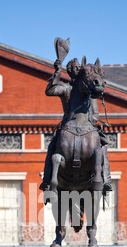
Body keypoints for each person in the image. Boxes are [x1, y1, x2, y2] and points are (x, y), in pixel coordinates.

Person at [40, 58, 112, 194]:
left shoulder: (89, 93)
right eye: (74, 68)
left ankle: (106, 179)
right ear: (70, 71)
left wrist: (90, 120)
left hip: (88, 125)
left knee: (102, 147)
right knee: (52, 146)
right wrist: (57, 71)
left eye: (78, 67)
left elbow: (95, 114)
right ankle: (47, 180)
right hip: (68, 124)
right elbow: (50, 91)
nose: (76, 69)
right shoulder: (66, 88)